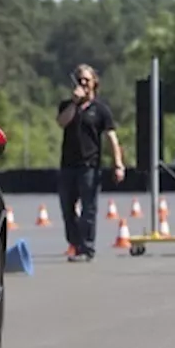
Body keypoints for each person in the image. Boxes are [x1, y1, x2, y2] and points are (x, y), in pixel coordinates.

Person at [56, 64, 125, 261]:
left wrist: (118, 164)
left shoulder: (101, 110)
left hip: (90, 167)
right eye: (79, 79)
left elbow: (111, 138)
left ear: (95, 82)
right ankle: (75, 242)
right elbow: (62, 122)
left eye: (87, 79)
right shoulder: (67, 106)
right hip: (68, 166)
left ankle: (86, 248)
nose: (83, 83)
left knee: (89, 209)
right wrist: (74, 104)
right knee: (67, 209)